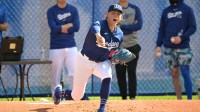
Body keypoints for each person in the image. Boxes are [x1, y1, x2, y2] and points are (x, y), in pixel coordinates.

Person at [53, 4, 123, 112]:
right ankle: (59, 93)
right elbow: (94, 27)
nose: (115, 15)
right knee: (77, 96)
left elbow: (112, 52)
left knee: (107, 76)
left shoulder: (120, 34)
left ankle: (102, 107)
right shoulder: (99, 24)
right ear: (107, 15)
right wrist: (98, 36)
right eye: (113, 13)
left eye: (118, 14)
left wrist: (114, 58)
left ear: (120, 18)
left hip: (100, 62)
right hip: (84, 61)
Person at [156, 0, 196, 100]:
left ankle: (189, 100)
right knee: (174, 73)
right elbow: (161, 29)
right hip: (169, 47)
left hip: (183, 47)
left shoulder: (187, 9)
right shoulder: (166, 11)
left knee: (185, 72)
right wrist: (158, 45)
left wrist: (181, 38)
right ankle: (179, 101)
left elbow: (193, 27)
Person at [47, 0, 80, 96]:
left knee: (74, 72)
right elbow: (53, 28)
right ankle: (55, 96)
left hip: (71, 46)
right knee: (55, 75)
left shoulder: (73, 10)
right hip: (56, 47)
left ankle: (74, 95)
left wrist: (60, 28)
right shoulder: (51, 11)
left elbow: (77, 27)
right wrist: (68, 26)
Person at [115, 0, 143, 100]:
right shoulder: (113, 9)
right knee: (120, 74)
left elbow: (139, 25)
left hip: (132, 45)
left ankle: (132, 97)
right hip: (119, 46)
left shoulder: (135, 9)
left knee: (132, 72)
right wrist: (131, 27)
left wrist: (122, 26)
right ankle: (123, 98)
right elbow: (112, 26)